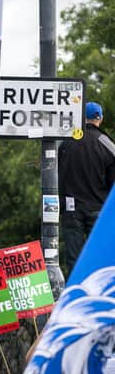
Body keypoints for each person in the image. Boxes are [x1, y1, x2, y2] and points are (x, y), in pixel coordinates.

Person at [59, 101, 115, 275]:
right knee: (99, 255)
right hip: (98, 208)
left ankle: (75, 294)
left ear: (81, 118)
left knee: (73, 256)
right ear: (100, 119)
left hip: (71, 207)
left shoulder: (66, 142)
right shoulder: (106, 143)